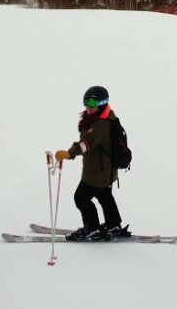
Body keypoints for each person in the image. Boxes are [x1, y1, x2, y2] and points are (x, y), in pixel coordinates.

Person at [54, 85, 132, 241]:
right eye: (86, 102)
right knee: (105, 197)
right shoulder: (108, 118)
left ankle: (92, 229)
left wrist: (70, 153)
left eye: (91, 103)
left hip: (96, 173)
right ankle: (113, 225)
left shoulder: (99, 125)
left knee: (81, 198)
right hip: (106, 171)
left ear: (102, 103)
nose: (88, 107)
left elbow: (86, 144)